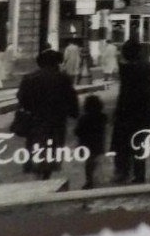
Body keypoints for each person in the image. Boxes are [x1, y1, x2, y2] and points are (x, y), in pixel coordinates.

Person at [15, 48, 79, 180]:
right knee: (52, 149)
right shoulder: (63, 78)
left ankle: (37, 173)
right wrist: (73, 113)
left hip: (35, 120)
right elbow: (71, 99)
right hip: (57, 121)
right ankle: (46, 175)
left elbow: (21, 98)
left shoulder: (29, 78)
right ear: (56, 63)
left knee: (36, 147)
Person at [111, 39, 150, 184]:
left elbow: (124, 94)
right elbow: (149, 91)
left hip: (126, 114)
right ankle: (139, 175)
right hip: (143, 114)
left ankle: (123, 172)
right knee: (140, 146)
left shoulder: (126, 70)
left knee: (122, 145)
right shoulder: (147, 68)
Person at [74, 94, 108, 190]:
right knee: (96, 162)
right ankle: (96, 179)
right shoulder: (102, 117)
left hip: (86, 144)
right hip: (97, 143)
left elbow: (77, 131)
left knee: (89, 164)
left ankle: (90, 181)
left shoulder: (83, 118)